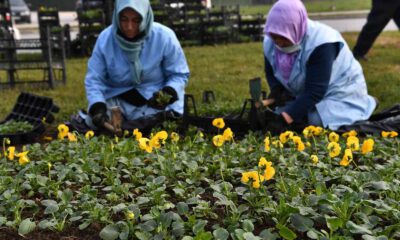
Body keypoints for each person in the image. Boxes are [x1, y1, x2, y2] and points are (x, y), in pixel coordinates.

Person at [261, 0, 377, 132]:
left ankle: (363, 104)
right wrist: (277, 90)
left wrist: (285, 118)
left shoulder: (322, 43)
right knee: (277, 114)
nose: (279, 43)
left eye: (283, 37)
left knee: (316, 121)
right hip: (305, 92)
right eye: (275, 37)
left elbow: (315, 90)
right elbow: (270, 71)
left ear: (294, 28)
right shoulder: (270, 42)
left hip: (339, 91)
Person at [84, 0, 190, 131]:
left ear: (145, 17)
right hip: (120, 101)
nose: (129, 27)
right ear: (116, 17)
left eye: (136, 20)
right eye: (124, 19)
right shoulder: (105, 39)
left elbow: (179, 74)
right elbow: (94, 79)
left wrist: (168, 92)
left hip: (154, 101)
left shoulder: (164, 37)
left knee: (168, 121)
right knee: (95, 120)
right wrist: (97, 106)